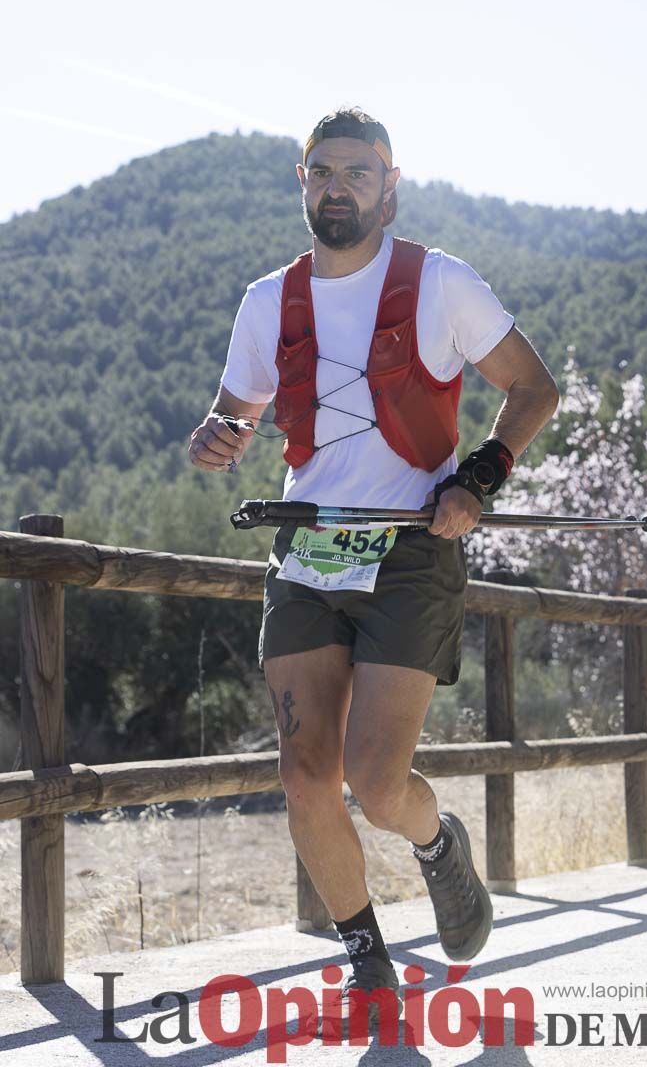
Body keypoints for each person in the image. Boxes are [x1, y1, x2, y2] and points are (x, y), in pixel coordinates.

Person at [188, 108, 559, 1033]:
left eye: (358, 172)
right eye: (322, 172)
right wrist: (218, 437)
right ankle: (366, 954)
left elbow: (534, 385)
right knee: (306, 772)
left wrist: (481, 473)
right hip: (308, 550)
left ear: (390, 185)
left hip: (410, 552)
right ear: (301, 181)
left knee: (375, 779)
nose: (338, 186)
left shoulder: (441, 283)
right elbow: (237, 410)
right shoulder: (267, 299)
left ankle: (438, 846)